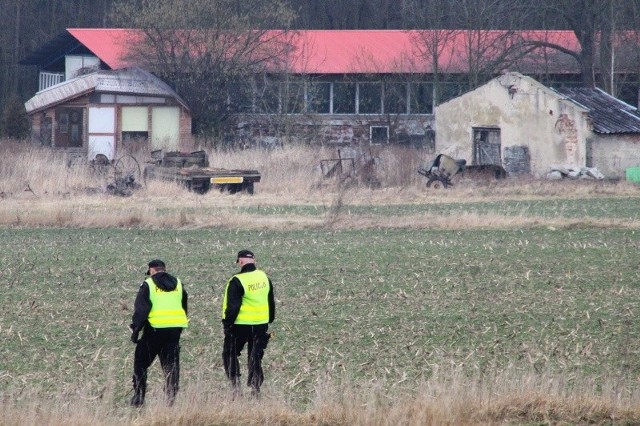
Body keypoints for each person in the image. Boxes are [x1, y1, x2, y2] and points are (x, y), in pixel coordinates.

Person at [129, 259, 188, 407]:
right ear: (164, 269)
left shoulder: (148, 284)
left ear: (151, 271)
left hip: (155, 330)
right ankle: (171, 398)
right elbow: (184, 306)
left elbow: (141, 311)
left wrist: (135, 330)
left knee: (141, 362)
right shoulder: (179, 284)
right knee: (171, 365)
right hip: (175, 330)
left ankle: (139, 397)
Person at [221, 249, 275, 398]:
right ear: (254, 260)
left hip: (240, 326)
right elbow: (270, 300)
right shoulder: (264, 277)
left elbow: (232, 307)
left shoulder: (237, 280)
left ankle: (235, 385)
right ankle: (255, 389)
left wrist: (227, 324)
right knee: (255, 356)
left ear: (240, 261)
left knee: (229, 353)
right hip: (261, 324)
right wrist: (269, 319)